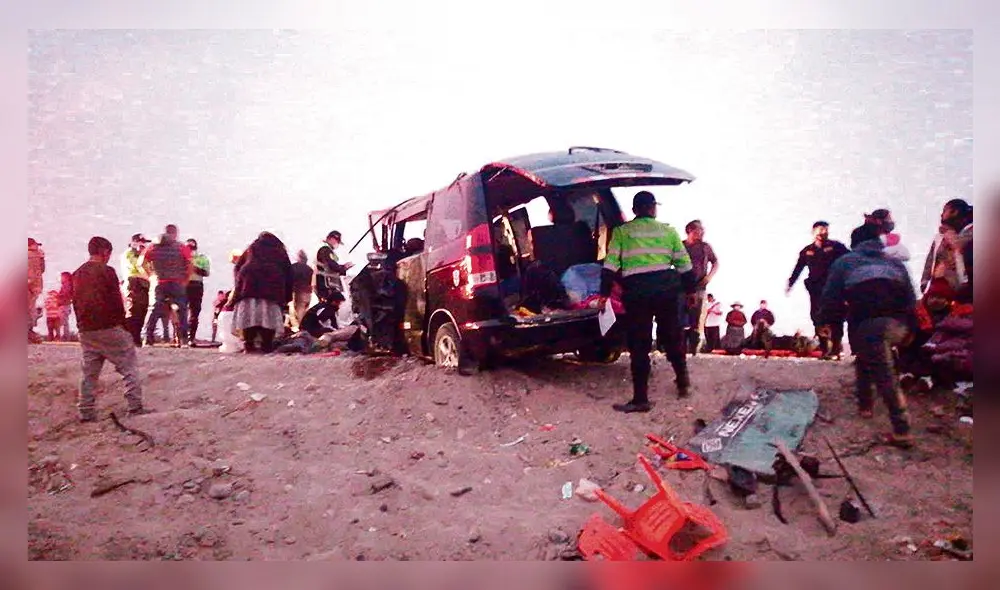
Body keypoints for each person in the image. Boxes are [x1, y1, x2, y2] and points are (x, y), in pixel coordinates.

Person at [818, 223, 918, 448]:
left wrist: (824, 321)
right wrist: (911, 330)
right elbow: (911, 298)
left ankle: (902, 429)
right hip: (900, 326)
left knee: (884, 374)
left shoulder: (845, 262)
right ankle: (865, 404)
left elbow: (830, 297)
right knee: (867, 355)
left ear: (854, 244)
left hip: (870, 325)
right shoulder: (894, 262)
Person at [599, 191, 695, 413]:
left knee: (639, 344)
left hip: (637, 294)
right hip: (666, 292)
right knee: (672, 336)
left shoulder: (622, 232)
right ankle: (683, 382)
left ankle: (641, 398)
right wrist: (690, 291)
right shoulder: (668, 231)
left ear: (634, 211)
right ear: (653, 209)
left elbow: (610, 265)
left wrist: (604, 294)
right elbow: (684, 265)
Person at [71, 236, 147, 421]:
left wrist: (81, 326)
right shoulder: (107, 271)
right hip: (109, 327)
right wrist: (124, 325)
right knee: (128, 366)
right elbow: (115, 301)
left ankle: (86, 411)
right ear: (105, 252)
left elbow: (76, 301)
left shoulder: (77, 273)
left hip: (86, 330)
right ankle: (134, 407)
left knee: (89, 373)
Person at [787, 221, 850, 359]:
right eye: (820, 230)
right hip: (816, 290)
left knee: (836, 318)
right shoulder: (807, 251)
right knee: (817, 318)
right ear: (814, 232)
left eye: (826, 229)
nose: (823, 232)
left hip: (834, 288)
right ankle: (824, 349)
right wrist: (790, 283)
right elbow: (798, 268)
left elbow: (850, 260)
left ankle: (835, 349)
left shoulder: (836, 247)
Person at [232, 232, 293, 354]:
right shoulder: (279, 251)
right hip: (272, 285)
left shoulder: (251, 248)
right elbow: (289, 273)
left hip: (248, 284)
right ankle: (266, 345)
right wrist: (287, 297)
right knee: (268, 317)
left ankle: (249, 345)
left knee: (249, 316)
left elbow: (238, 267)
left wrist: (239, 286)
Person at [140, 225, 193, 347]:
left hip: (158, 282)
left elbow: (141, 263)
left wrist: (151, 276)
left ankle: (147, 338)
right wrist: (185, 279)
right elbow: (190, 264)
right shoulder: (181, 247)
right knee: (182, 310)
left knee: (153, 309)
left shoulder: (153, 246)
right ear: (175, 234)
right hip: (177, 282)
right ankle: (184, 340)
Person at [681, 220, 719, 355]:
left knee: (696, 320)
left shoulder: (705, 247)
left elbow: (715, 262)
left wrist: (709, 277)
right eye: (698, 229)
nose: (701, 232)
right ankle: (681, 350)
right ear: (689, 230)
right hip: (681, 288)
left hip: (699, 288)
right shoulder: (681, 246)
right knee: (681, 319)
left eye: (702, 229)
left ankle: (694, 350)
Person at [921, 198, 973, 295]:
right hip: (938, 286)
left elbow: (961, 248)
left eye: (945, 211)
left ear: (954, 212)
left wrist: (950, 236)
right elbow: (931, 260)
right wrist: (924, 281)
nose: (941, 215)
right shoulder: (939, 238)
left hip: (963, 286)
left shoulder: (971, 232)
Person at [120, 233, 152, 346]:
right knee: (133, 311)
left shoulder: (143, 256)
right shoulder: (129, 253)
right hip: (133, 283)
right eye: (141, 242)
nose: (143, 245)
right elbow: (135, 267)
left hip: (144, 285)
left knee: (142, 312)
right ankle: (130, 339)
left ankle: (136, 338)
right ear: (134, 242)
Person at [184, 238, 210, 346]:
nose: (191, 250)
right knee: (180, 310)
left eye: (192, 248)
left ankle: (191, 337)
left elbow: (206, 272)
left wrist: (194, 268)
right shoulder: (182, 257)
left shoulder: (202, 258)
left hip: (196, 284)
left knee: (195, 312)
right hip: (183, 284)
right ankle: (180, 337)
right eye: (189, 248)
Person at [315, 231, 354, 302]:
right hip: (326, 285)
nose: (337, 244)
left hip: (325, 284)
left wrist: (342, 267)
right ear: (332, 239)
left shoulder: (325, 250)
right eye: (337, 241)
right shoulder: (325, 250)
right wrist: (344, 268)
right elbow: (332, 265)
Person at [288, 250, 314, 332]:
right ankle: (305, 327)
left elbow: (290, 280)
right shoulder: (309, 269)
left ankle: (301, 329)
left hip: (298, 291)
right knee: (305, 309)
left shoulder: (294, 267)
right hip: (308, 292)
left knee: (298, 310)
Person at [28, 238, 46, 343]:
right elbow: (41, 270)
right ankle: (28, 333)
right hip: (33, 286)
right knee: (30, 310)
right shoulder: (36, 255)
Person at [56, 271, 74, 341]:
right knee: (63, 322)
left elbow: (66, 294)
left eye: (62, 277)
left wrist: (59, 296)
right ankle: (65, 336)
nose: (61, 278)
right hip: (64, 305)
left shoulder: (66, 285)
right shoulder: (65, 285)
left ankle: (65, 336)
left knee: (64, 322)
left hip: (64, 305)